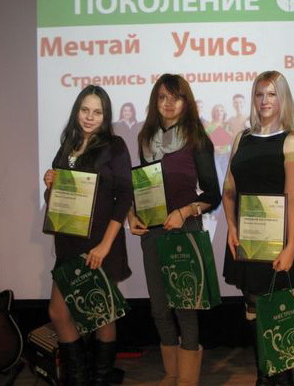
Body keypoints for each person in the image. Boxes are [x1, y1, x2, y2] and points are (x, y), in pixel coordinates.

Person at [127, 74, 221, 386]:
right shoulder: (145, 138)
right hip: (153, 232)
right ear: (155, 101)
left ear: (186, 101)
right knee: (158, 308)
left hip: (184, 229)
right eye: (162, 97)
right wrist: (133, 215)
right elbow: (143, 187)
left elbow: (213, 194)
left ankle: (187, 379)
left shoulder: (197, 138)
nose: (169, 103)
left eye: (176, 97)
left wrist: (183, 212)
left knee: (185, 306)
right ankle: (171, 373)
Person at [222, 71, 294, 385]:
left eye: (272, 94)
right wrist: (231, 226)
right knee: (253, 308)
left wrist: (290, 246)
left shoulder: (291, 140)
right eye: (259, 94)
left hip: (278, 241)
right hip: (247, 239)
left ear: (282, 98)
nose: (264, 100)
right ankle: (264, 374)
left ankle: (282, 378)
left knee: (278, 312)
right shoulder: (241, 138)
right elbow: (228, 189)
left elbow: (293, 195)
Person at [43, 85, 133, 386]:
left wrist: (105, 245)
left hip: (100, 244)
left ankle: (101, 379)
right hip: (68, 242)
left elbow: (125, 195)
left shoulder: (115, 146)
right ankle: (79, 379)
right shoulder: (67, 145)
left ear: (105, 116)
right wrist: (50, 184)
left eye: (97, 112)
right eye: (85, 110)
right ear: (77, 111)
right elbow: (56, 199)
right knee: (59, 313)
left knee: (101, 315)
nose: (90, 117)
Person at [113, 102, 142, 166]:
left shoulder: (138, 125)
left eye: (129, 110)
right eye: (125, 110)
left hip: (135, 156)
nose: (127, 113)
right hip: (122, 156)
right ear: (122, 112)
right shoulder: (116, 125)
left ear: (133, 112)